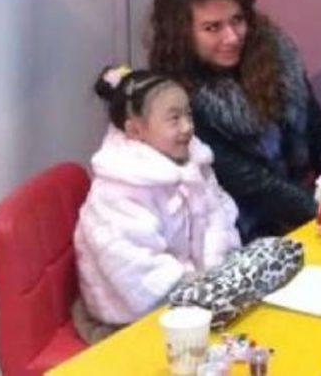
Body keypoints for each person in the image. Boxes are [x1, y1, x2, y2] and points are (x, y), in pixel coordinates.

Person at [148, 0, 321, 241]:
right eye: (212, 28)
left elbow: (319, 129)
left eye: (237, 20)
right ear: (182, 34)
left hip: (309, 209)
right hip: (241, 233)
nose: (232, 37)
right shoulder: (175, 99)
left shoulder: (276, 55)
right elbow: (253, 184)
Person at [73, 66, 241, 342]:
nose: (187, 127)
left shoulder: (193, 162)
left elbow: (218, 215)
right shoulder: (115, 191)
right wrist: (199, 291)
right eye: (174, 119)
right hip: (135, 316)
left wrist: (218, 271)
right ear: (135, 129)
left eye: (188, 115)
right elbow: (138, 270)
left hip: (198, 296)